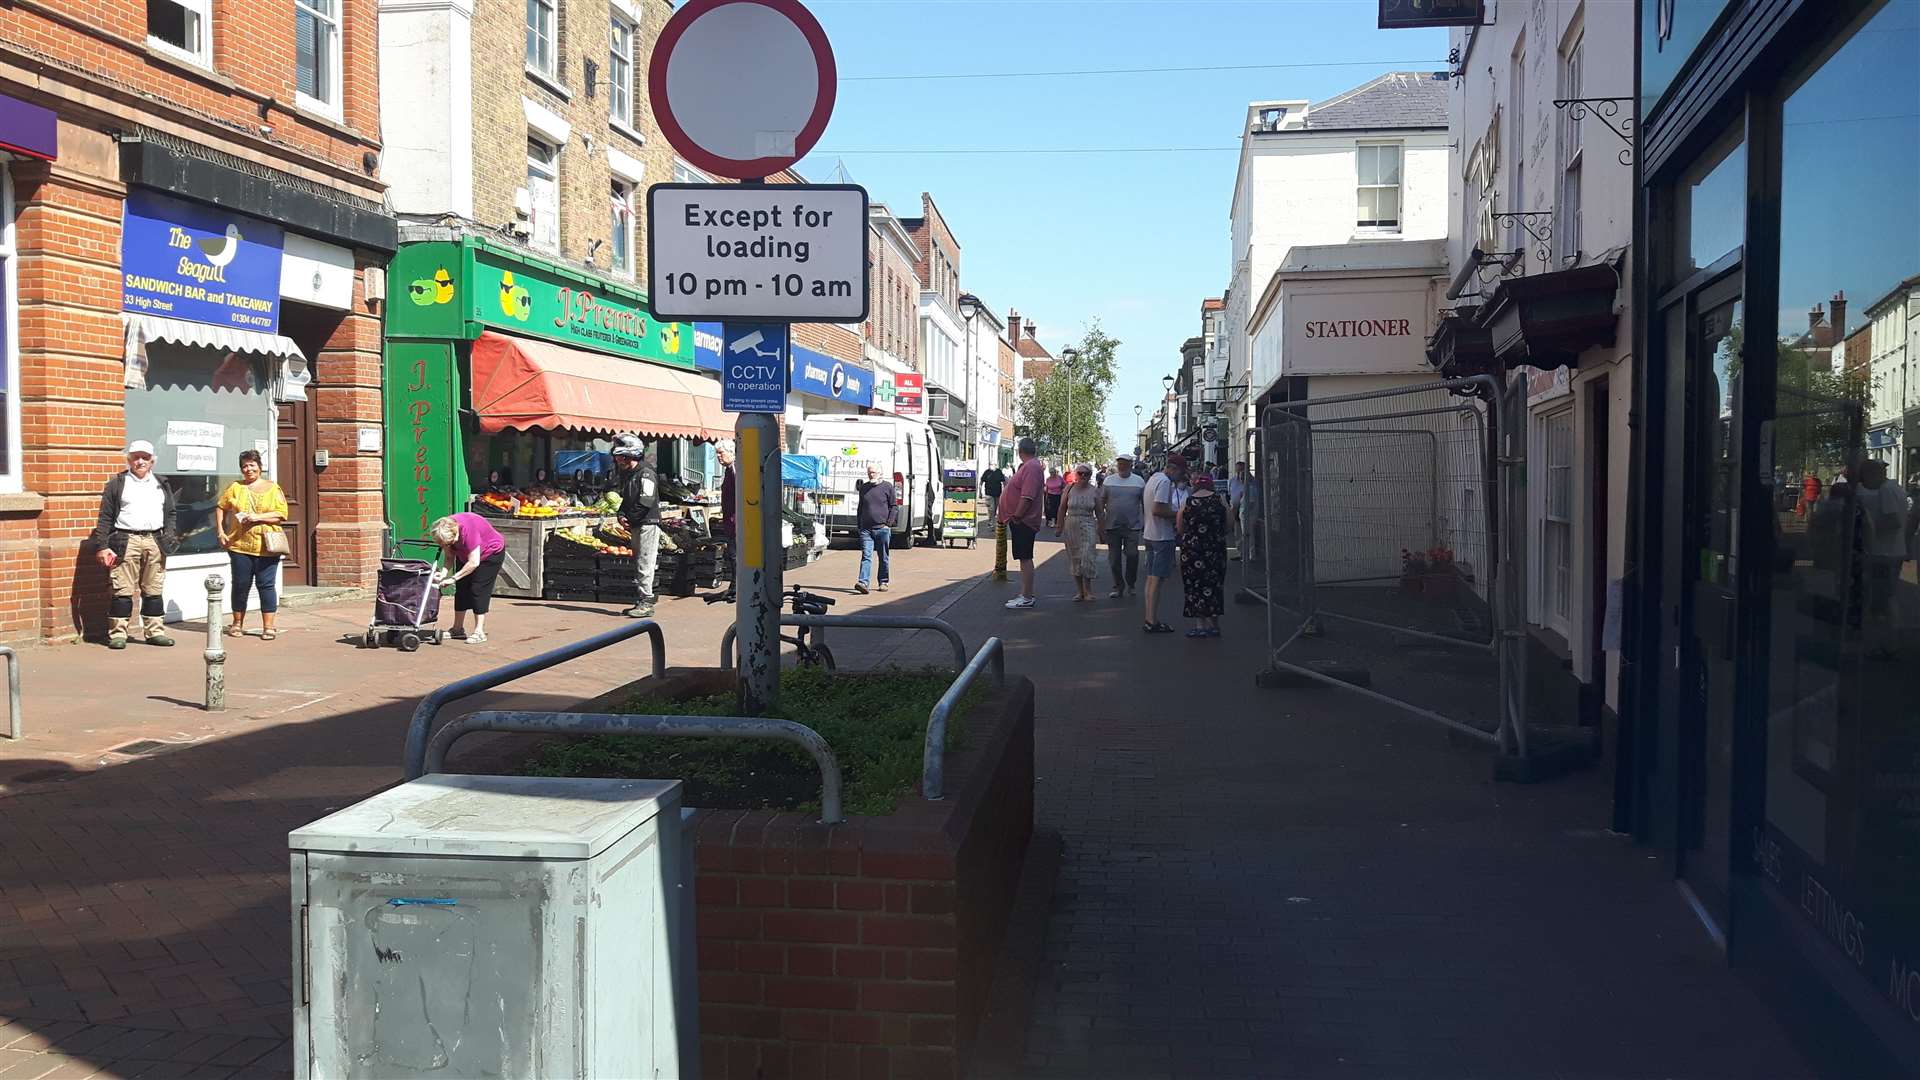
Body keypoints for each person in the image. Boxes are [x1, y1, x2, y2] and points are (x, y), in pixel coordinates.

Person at [89, 440, 178, 649]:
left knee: (153, 590)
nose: (140, 461)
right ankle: (118, 634)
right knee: (122, 591)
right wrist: (102, 545)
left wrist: (170, 534)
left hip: (154, 541)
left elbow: (171, 513)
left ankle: (155, 632)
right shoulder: (117, 484)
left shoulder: (161, 483)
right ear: (129, 460)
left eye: (145, 458)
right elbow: (105, 517)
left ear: (152, 461)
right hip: (125, 541)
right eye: (136, 457)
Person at [214, 449, 289, 640]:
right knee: (240, 585)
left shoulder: (273, 488)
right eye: (244, 466)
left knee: (266, 585)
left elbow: (282, 514)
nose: (248, 469)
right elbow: (221, 506)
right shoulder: (235, 487)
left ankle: (269, 626)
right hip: (239, 545)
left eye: (252, 465)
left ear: (260, 467)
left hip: (267, 545)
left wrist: (257, 517)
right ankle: (237, 623)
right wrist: (221, 531)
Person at [430, 512, 505, 643]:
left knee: (478, 589)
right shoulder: (446, 533)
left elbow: (474, 562)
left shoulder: (468, 530)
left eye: (449, 542)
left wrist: (453, 578)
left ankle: (479, 631)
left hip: (489, 554)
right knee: (461, 588)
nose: (447, 545)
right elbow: (449, 556)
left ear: (455, 534)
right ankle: (457, 629)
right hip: (465, 555)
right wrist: (443, 574)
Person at [1856, 460, 1910, 630]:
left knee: (1883, 600)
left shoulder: (1886, 491)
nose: (1862, 482)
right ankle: (1887, 641)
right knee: (1887, 597)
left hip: (1884, 553)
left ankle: (1887, 643)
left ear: (1872, 474)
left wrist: (1867, 526)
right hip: (1892, 551)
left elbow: (1892, 521)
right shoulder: (1895, 488)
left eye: (1863, 477)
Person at [1178, 474, 1234, 637]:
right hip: (1215, 549)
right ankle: (1214, 624)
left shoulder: (1187, 502)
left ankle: (1200, 625)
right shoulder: (1219, 500)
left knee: (1194, 585)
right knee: (1215, 584)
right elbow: (1229, 524)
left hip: (1192, 551)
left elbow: (1180, 527)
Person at [613, 433, 662, 618]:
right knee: (639, 562)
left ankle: (646, 602)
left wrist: (630, 518)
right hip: (637, 523)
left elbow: (646, 501)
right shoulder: (630, 475)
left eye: (621, 457)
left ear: (631, 455)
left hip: (648, 524)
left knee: (645, 562)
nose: (618, 461)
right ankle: (641, 598)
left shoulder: (646, 473)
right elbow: (627, 500)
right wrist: (621, 514)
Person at [1141, 453, 1188, 633]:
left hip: (1150, 534)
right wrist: (1179, 514)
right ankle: (1152, 620)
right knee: (1157, 580)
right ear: (1173, 469)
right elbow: (1158, 509)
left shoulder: (1153, 478)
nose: (1181, 477)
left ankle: (1149, 617)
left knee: (1151, 578)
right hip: (1162, 535)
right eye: (1181, 472)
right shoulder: (1165, 482)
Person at [998, 437, 1047, 609]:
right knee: (1023, 558)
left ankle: (1027, 596)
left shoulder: (1032, 467)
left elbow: (1027, 495)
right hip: (1022, 520)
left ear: (1020, 452)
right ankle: (1025, 593)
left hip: (1024, 520)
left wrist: (1017, 515)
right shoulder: (1031, 466)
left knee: (1025, 557)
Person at [1100, 452, 1147, 599]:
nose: (1121, 466)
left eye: (1125, 464)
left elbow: (1145, 504)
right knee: (1114, 559)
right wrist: (1100, 521)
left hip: (1132, 526)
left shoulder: (1139, 482)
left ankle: (1131, 583)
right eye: (1119, 463)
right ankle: (1118, 586)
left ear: (1130, 465)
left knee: (1132, 555)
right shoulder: (1108, 481)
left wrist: (1146, 522)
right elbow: (1101, 501)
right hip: (1112, 526)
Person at [1055, 463, 1104, 601]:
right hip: (1071, 525)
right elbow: (1062, 508)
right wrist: (1059, 526)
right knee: (1075, 557)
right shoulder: (1069, 489)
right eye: (1080, 473)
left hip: (1088, 523)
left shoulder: (1094, 491)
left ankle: (1088, 590)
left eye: (1086, 474)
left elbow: (1100, 513)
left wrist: (1102, 530)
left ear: (1090, 475)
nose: (1083, 476)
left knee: (1087, 556)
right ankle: (1080, 591)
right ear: (1076, 474)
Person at [855, 463, 896, 594]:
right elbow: (860, 507)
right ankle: (863, 582)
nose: (870, 475)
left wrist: (888, 524)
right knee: (866, 555)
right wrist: (859, 525)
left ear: (879, 473)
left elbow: (894, 506)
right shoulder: (864, 488)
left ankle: (883, 582)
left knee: (883, 556)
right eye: (869, 472)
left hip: (882, 528)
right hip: (866, 529)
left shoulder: (888, 487)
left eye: (872, 472)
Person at [715, 438, 737, 544]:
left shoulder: (736, 470)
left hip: (736, 521)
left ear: (731, 452)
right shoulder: (729, 469)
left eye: (721, 453)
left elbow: (741, 493)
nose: (718, 456)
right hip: (730, 521)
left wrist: (738, 514)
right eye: (717, 453)